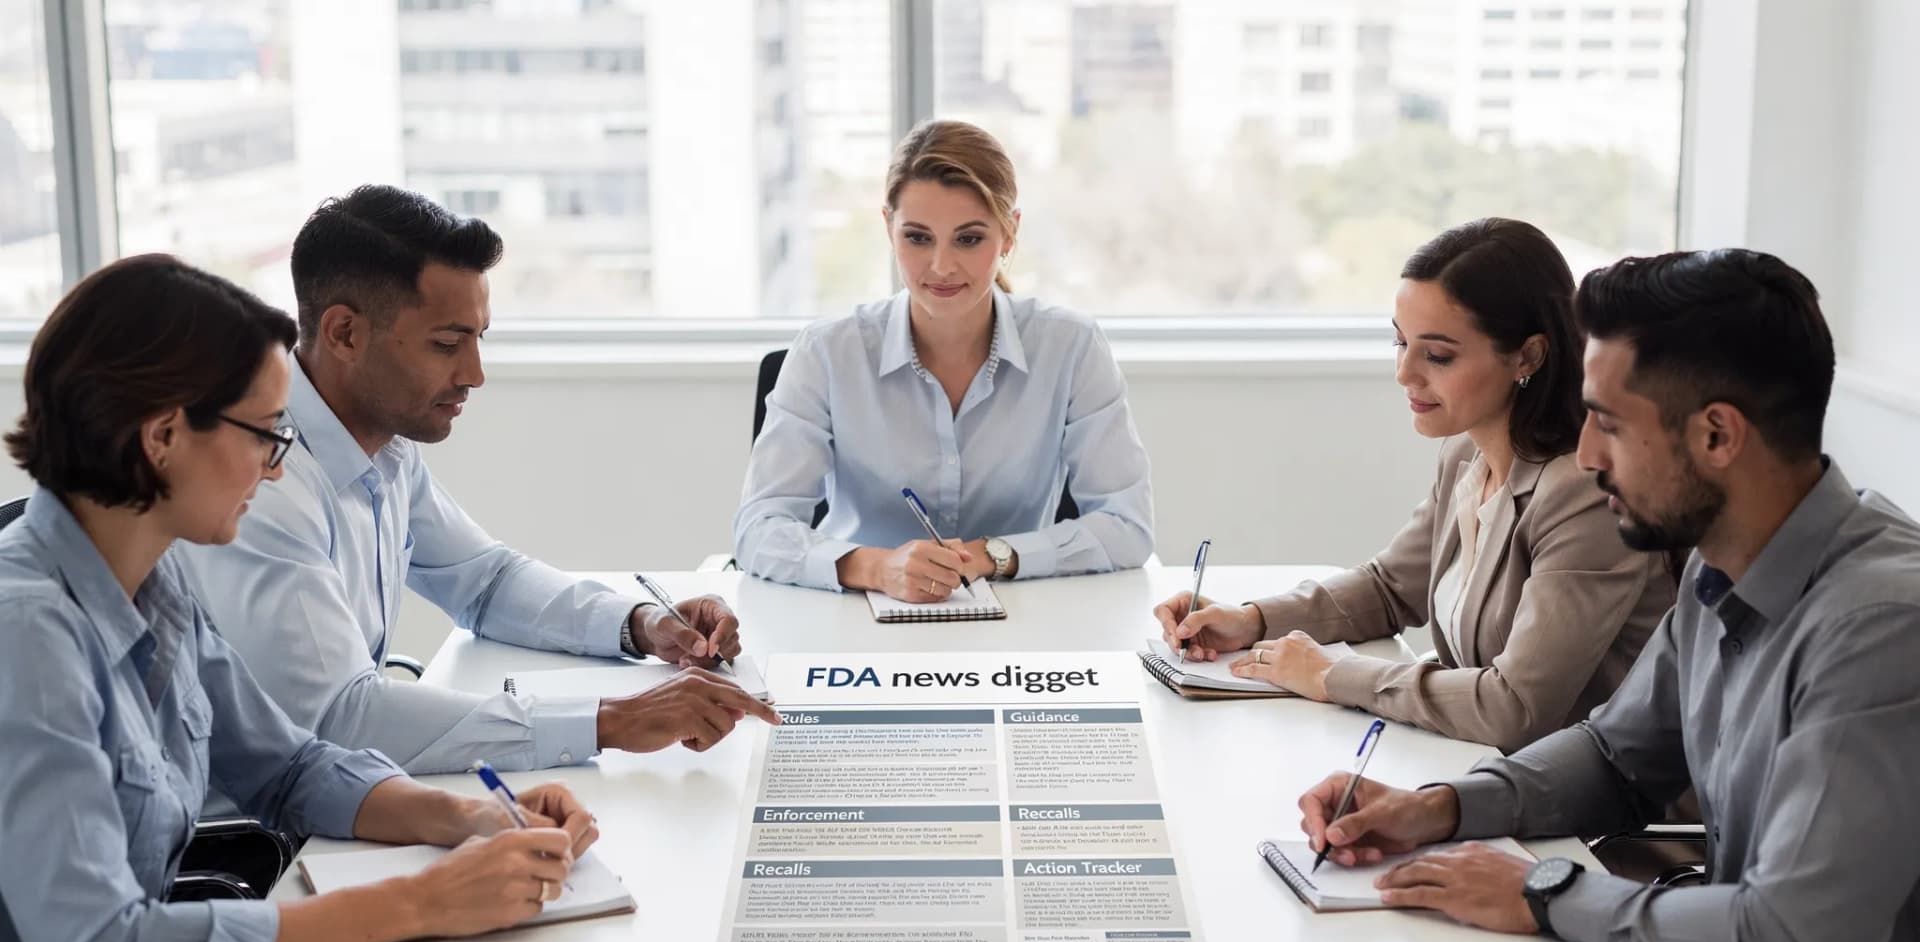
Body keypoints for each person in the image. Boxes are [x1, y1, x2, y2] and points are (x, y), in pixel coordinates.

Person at [1296, 250, 1920, 942]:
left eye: (1611, 423)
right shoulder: (1723, 557)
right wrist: (1443, 807)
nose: (1586, 454)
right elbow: (1619, 757)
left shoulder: (1878, 627)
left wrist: (1546, 892)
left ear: (1718, 434)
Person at [0, 255, 604, 942]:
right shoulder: (28, 639)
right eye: (265, 434)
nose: (278, 466)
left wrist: (462, 819)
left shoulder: (152, 571)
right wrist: (422, 903)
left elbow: (283, 767)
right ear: (163, 434)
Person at [177, 185, 778, 776]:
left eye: (477, 339)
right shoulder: (260, 478)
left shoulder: (384, 443)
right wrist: (611, 720)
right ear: (344, 334)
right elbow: (339, 719)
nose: (474, 374)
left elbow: (484, 582)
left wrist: (642, 624)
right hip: (258, 848)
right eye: (446, 344)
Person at [1154, 219, 1674, 752]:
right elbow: (1390, 587)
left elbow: (1514, 709)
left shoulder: (1584, 495)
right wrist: (1253, 620)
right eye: (1401, 342)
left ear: (1529, 356)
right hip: (1477, 765)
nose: (1405, 372)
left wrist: (1333, 675)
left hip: (1581, 810)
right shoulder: (1467, 453)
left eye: (1438, 355)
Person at [733, 119, 1154, 601]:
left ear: (1010, 233)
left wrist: (989, 555)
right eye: (917, 237)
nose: (941, 266)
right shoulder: (827, 352)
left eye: (969, 239)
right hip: (852, 618)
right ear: (889, 228)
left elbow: (1127, 525)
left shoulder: (1071, 347)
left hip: (1022, 621)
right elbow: (759, 528)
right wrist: (877, 566)